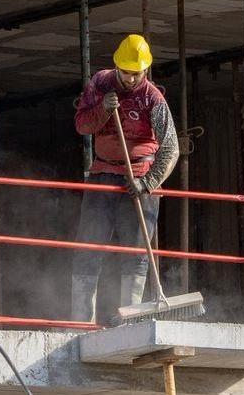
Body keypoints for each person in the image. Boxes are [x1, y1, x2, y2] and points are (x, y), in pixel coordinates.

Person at [70, 34, 179, 323]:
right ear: (117, 67)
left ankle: (130, 320)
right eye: (126, 73)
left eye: (137, 73)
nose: (131, 79)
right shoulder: (101, 83)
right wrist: (103, 108)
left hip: (140, 176)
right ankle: (80, 321)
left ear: (145, 70)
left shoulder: (152, 97)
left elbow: (171, 148)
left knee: (135, 254)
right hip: (103, 172)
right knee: (89, 246)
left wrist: (148, 182)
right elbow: (82, 125)